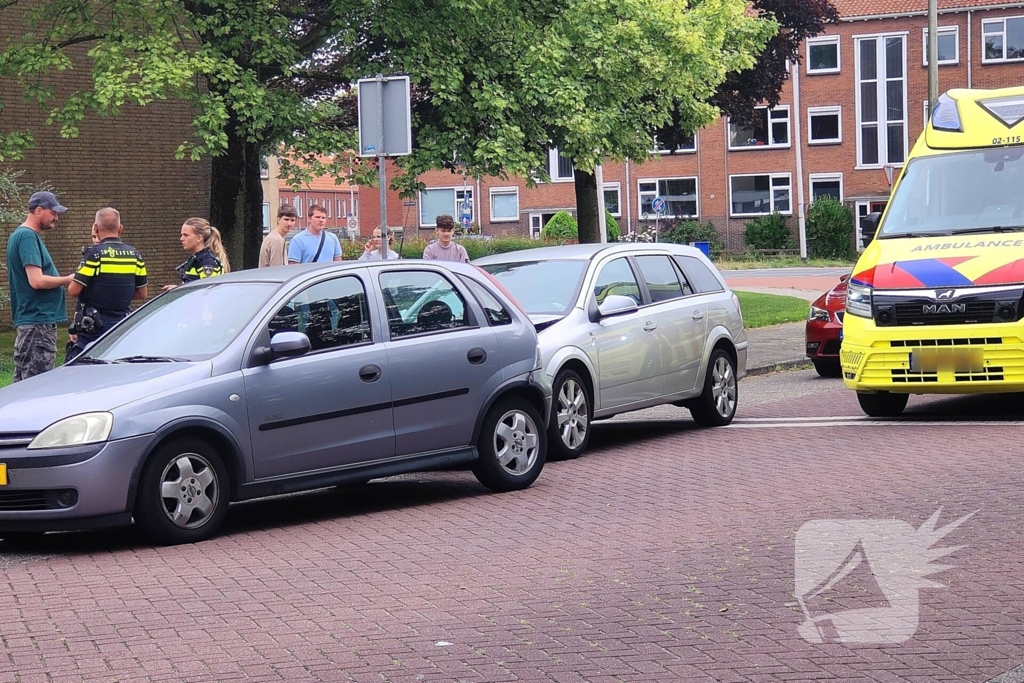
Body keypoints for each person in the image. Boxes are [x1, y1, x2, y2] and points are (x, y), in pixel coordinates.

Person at [5, 191, 75, 382]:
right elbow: (36, 280)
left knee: (23, 386)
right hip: (37, 322)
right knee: (38, 385)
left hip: (31, 322)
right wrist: (68, 279)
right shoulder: (27, 237)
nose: (56, 218)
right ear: (38, 210)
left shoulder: (21, 235)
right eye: (53, 212)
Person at [65, 208, 148, 361]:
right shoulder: (135, 255)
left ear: (95, 228)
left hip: (95, 326)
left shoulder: (94, 254)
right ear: (120, 228)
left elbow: (73, 290)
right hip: (122, 324)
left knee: (78, 369)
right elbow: (142, 294)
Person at [164, 218, 229, 290]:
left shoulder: (207, 261)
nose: (181, 239)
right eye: (182, 235)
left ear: (199, 238)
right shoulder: (198, 258)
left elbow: (206, 291)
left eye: (186, 235)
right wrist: (178, 289)